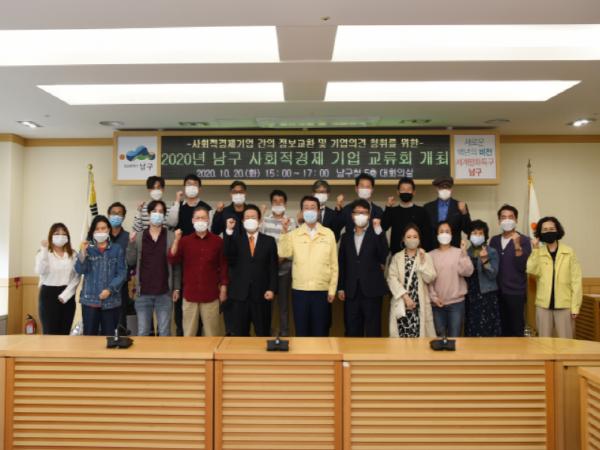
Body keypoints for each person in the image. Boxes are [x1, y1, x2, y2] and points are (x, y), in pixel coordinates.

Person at [278, 195, 338, 337]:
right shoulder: (294, 234)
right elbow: (284, 253)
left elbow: (334, 264)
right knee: (302, 331)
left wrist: (332, 289)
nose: (309, 211)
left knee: (321, 331)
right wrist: (284, 232)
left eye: (313, 208)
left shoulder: (328, 233)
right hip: (300, 290)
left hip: (322, 290)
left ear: (318, 211)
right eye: (306, 208)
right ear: (301, 212)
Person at [168, 206, 228, 336]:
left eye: (203, 218)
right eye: (197, 218)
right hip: (190, 295)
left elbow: (223, 266)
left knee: (212, 334)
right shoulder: (184, 241)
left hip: (211, 295)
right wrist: (176, 240)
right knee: (189, 334)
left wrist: (224, 288)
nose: (200, 220)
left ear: (208, 220)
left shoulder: (218, 241)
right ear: (192, 220)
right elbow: (172, 259)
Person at [165, 173, 212, 336]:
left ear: (200, 188)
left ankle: (200, 336)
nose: (191, 187)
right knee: (182, 301)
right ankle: (182, 334)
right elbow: (170, 223)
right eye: (188, 184)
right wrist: (177, 202)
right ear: (184, 188)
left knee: (203, 304)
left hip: (202, 258)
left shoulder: (206, 207)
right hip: (182, 258)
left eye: (194, 184)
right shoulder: (178, 206)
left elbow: (211, 231)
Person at [127, 200, 180, 336]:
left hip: (164, 293)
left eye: (161, 212)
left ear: (164, 215)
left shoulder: (171, 236)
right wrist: (131, 243)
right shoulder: (139, 236)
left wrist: (176, 288)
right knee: (143, 332)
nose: (157, 214)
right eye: (154, 211)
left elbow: (176, 265)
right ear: (149, 214)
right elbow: (130, 261)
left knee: (164, 332)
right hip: (143, 293)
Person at [224, 204, 278, 336]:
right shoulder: (235, 239)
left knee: (263, 333)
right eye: (247, 217)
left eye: (253, 217)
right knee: (240, 334)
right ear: (242, 221)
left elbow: (273, 267)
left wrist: (272, 289)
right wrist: (229, 232)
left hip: (262, 295)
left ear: (259, 221)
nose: (250, 219)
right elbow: (228, 257)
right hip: (240, 295)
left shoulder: (269, 241)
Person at [337, 200, 389, 337]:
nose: (360, 215)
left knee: (373, 330)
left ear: (369, 215)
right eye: (357, 212)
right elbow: (342, 263)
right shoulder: (346, 237)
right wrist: (340, 287)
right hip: (351, 291)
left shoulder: (376, 234)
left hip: (372, 290)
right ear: (352, 215)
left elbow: (384, 255)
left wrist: (379, 231)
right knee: (352, 329)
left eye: (364, 213)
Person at [527, 216, 582, 338]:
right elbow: (531, 270)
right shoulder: (538, 252)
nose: (549, 232)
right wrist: (535, 250)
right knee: (544, 343)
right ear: (540, 233)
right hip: (543, 306)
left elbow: (576, 281)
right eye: (545, 230)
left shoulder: (569, 252)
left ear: (557, 230)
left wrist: (575, 307)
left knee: (566, 342)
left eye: (552, 229)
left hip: (565, 305)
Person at [75, 215, 127, 336]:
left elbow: (122, 273)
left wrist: (110, 290)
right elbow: (80, 270)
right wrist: (83, 253)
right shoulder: (88, 249)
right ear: (92, 231)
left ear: (108, 229)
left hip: (111, 301)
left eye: (103, 228)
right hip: (90, 301)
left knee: (109, 336)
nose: (100, 231)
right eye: (97, 229)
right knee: (89, 337)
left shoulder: (117, 249)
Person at [489, 204, 532, 337]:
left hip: (515, 292)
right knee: (500, 329)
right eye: (503, 217)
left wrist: (517, 246)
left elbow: (523, 267)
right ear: (499, 221)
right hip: (497, 291)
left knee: (516, 329)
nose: (507, 220)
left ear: (516, 220)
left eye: (510, 217)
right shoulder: (494, 240)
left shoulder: (524, 240)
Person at [387, 224, 437, 338]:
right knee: (401, 340)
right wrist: (405, 297)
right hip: (402, 304)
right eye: (408, 237)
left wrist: (423, 262)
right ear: (403, 239)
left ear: (419, 239)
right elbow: (391, 278)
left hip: (419, 305)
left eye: (415, 237)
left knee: (419, 339)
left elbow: (430, 278)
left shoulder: (425, 256)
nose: (412, 239)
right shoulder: (397, 257)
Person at [260, 189, 297, 336]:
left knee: (283, 306)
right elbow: (260, 243)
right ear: (271, 204)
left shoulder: (291, 222)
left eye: (281, 201)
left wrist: (281, 257)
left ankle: (284, 333)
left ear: (285, 204)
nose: (278, 204)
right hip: (267, 271)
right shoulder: (265, 221)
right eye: (275, 201)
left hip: (285, 269)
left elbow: (292, 245)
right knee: (266, 304)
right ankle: (267, 333)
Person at [427, 221, 474, 337]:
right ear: (437, 235)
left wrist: (464, 253)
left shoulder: (459, 253)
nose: (444, 234)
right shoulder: (430, 255)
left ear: (452, 235)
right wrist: (434, 298)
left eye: (447, 231)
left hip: (456, 304)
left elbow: (468, 272)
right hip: (436, 304)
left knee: (455, 337)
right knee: (439, 337)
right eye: (441, 231)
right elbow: (428, 281)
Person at [34, 223, 80, 334]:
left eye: (64, 234)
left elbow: (77, 276)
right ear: (51, 236)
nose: (61, 236)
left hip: (67, 296)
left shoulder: (73, 254)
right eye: (57, 233)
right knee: (50, 332)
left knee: (64, 332)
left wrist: (66, 294)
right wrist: (44, 250)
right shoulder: (43, 252)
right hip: (48, 295)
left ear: (68, 237)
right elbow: (40, 271)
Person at [465, 220, 502, 337]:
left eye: (480, 233)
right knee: (472, 325)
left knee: (488, 327)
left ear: (485, 235)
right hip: (470, 294)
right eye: (474, 233)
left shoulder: (491, 252)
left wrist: (485, 260)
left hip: (487, 294)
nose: (477, 236)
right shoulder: (466, 252)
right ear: (469, 235)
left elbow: (493, 274)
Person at [382, 177, 434, 253]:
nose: (406, 192)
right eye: (403, 189)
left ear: (413, 192)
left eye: (409, 189)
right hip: (397, 254)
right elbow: (384, 226)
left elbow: (427, 235)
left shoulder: (422, 211)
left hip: (417, 254)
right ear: (398, 192)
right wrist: (388, 207)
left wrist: (425, 252)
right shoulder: (393, 211)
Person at [106, 202, 133, 332]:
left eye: (119, 213)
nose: (116, 216)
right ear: (108, 215)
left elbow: (132, 262)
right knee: (104, 322)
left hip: (121, 286)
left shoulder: (129, 237)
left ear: (124, 217)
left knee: (120, 322)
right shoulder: (102, 237)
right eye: (113, 213)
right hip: (103, 285)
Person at [424, 176, 471, 248]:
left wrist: (464, 213)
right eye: (441, 187)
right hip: (432, 248)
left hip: (454, 247)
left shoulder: (460, 205)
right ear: (437, 189)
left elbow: (467, 230)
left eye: (447, 187)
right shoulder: (428, 207)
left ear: (452, 189)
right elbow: (424, 231)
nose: (445, 190)